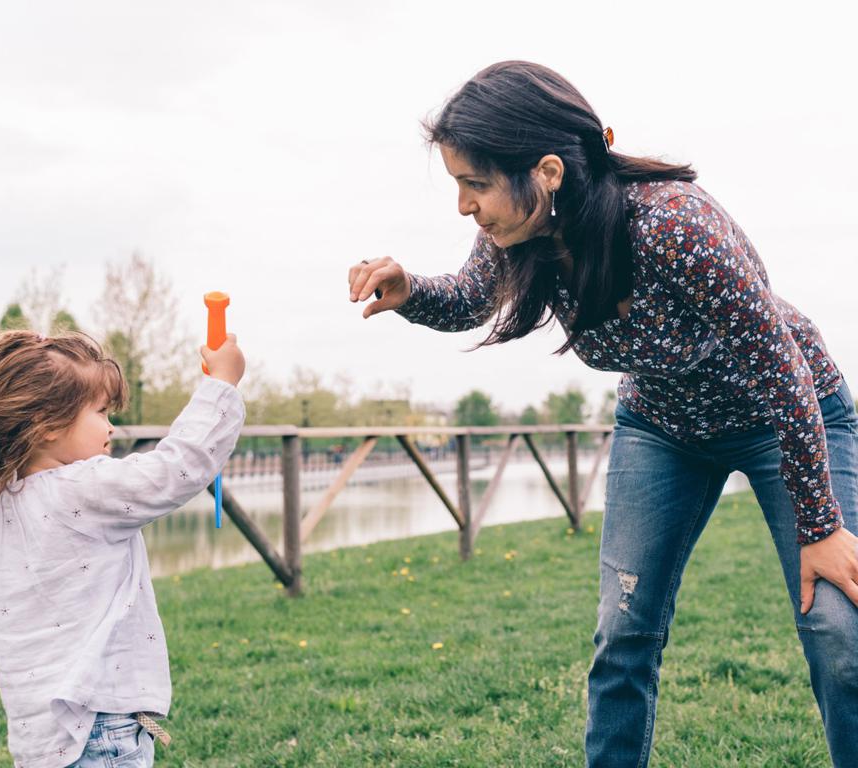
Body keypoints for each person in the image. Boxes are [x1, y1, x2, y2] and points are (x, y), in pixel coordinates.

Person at [348, 61, 858, 767]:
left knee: (838, 629)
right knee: (623, 636)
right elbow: (469, 298)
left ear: (548, 170)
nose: (465, 206)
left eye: (475, 184)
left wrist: (821, 524)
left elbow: (782, 371)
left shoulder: (675, 225)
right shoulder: (522, 233)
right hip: (662, 428)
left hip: (784, 418)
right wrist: (409, 290)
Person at [0, 329, 246, 768]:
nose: (110, 425)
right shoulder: (80, 488)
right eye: (100, 411)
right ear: (49, 426)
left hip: (38, 735)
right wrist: (220, 387)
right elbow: (178, 467)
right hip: (98, 724)